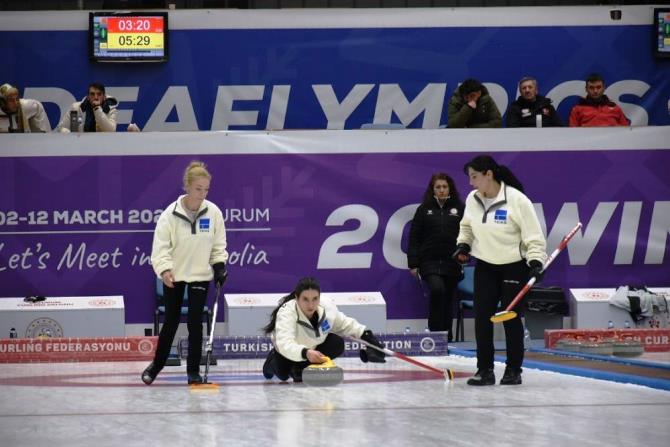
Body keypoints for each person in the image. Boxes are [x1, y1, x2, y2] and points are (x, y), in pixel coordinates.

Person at [453, 155, 546, 386]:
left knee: (510, 318)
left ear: (489, 175)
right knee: (482, 319)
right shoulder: (473, 199)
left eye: (474, 177)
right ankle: (484, 370)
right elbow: (466, 227)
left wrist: (535, 261)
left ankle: (513, 369)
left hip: (513, 267)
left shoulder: (517, 200)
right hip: (485, 266)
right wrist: (463, 245)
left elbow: (534, 237)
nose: (471, 182)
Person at [142, 161, 229, 385]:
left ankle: (193, 371)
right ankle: (156, 366)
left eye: (206, 189)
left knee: (194, 323)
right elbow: (160, 248)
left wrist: (219, 266)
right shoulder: (169, 215)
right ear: (188, 187)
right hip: (176, 276)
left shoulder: (214, 212)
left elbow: (218, 246)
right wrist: (164, 270)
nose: (202, 194)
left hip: (200, 275)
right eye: (198, 189)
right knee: (170, 322)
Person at [261, 277, 385, 383]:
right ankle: (271, 362)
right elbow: (285, 344)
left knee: (337, 343)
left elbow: (344, 324)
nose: (311, 305)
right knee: (283, 374)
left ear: (319, 298)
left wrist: (367, 336)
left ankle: (301, 368)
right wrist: (306, 353)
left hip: (312, 349)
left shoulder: (327, 307)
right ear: (296, 298)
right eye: (305, 299)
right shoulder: (287, 312)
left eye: (315, 299)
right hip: (288, 351)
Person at [407, 173, 464, 340]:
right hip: (429, 262)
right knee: (437, 290)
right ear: (432, 189)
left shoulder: (460, 209)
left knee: (448, 298)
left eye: (444, 187)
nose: (441, 190)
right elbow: (414, 237)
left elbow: (468, 234)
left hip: (451, 262)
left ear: (450, 188)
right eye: (438, 187)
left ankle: (447, 337)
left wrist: (464, 254)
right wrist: (413, 263)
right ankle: (435, 334)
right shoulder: (424, 209)